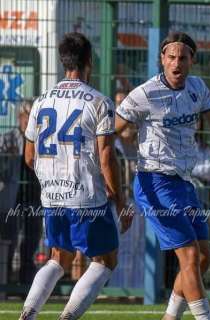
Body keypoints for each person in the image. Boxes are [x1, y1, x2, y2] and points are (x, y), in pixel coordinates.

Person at [115, 31, 210, 320]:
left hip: (184, 184)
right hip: (155, 181)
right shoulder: (145, 93)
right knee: (188, 257)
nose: (177, 63)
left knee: (202, 258)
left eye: (183, 57)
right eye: (171, 57)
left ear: (192, 61)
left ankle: (170, 316)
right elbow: (110, 131)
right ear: (162, 59)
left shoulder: (197, 88)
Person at [19, 32, 130, 320]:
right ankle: (67, 317)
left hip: (52, 196)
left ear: (62, 60)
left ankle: (27, 315)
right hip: (86, 195)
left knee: (59, 258)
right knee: (106, 260)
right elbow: (107, 157)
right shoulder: (99, 102)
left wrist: (52, 177)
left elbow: (29, 157)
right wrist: (120, 202)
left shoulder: (42, 101)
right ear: (89, 61)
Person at [0, 99, 41, 284]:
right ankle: (6, 284)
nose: (28, 121)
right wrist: (7, 157)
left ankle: (26, 286)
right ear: (19, 118)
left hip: (34, 197)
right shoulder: (7, 139)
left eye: (32, 117)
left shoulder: (42, 142)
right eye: (25, 116)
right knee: (9, 240)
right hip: (11, 199)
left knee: (31, 243)